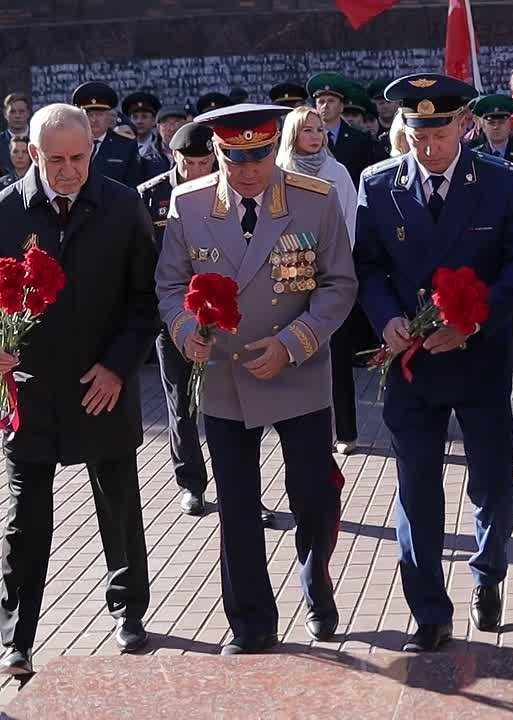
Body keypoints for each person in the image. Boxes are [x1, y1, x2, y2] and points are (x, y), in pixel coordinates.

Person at [156, 104, 356, 655]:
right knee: (237, 505)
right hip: (226, 374)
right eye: (234, 158)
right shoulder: (189, 204)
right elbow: (171, 285)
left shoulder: (315, 200)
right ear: (217, 153)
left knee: (313, 494)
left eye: (259, 156)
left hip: (297, 370)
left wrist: (294, 343)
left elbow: (339, 284)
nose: (248, 170)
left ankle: (316, 580)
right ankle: (250, 623)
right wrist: (184, 331)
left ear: (276, 148)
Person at [354, 73, 513, 652]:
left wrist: (473, 322)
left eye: (438, 134)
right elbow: (369, 267)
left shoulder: (503, 183)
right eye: (415, 133)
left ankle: (488, 570)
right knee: (417, 489)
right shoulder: (379, 185)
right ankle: (428, 610)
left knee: (489, 481)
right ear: (403, 130)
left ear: (463, 126)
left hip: (480, 357)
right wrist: (384, 317)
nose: (427, 147)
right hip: (411, 361)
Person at [0, 102, 159, 674]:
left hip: (102, 385)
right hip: (31, 390)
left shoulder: (122, 205)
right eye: (56, 160)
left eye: (79, 157)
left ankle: (130, 613)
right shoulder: (4, 212)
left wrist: (119, 365)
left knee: (118, 505)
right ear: (32, 154)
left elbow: (147, 302)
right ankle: (17, 637)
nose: (69, 171)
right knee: (25, 517)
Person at [138, 123, 218, 517]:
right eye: (190, 163)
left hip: (221, 312)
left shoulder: (227, 189)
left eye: (206, 162)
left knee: (229, 401)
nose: (199, 170)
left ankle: (240, 484)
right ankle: (191, 482)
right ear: (175, 157)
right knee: (180, 401)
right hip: (172, 313)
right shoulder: (150, 196)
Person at [277, 105, 361, 455]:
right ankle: (305, 429)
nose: (315, 136)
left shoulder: (336, 172)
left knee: (336, 355)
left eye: (319, 129)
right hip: (289, 274)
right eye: (307, 130)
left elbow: (351, 218)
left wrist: (337, 265)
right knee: (297, 352)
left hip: (329, 274)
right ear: (293, 135)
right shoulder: (279, 171)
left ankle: (346, 431)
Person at [307, 72, 386, 186]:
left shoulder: (360, 140)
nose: (325, 106)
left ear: (341, 106)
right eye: (321, 101)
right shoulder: (307, 138)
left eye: (331, 101)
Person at [70, 81, 143, 187]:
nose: (94, 120)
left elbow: (133, 184)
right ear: (81, 117)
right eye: (89, 114)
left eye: (99, 114)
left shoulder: (125, 145)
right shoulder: (70, 143)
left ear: (110, 117)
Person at [469, 95, 513, 164]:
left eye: (501, 122)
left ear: (509, 125)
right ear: (484, 127)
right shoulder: (475, 156)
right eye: (491, 123)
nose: (496, 127)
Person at [0, 93, 31, 175]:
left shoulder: (38, 140)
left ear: (28, 113)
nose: (17, 116)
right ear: (5, 114)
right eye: (13, 112)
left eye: (21, 111)